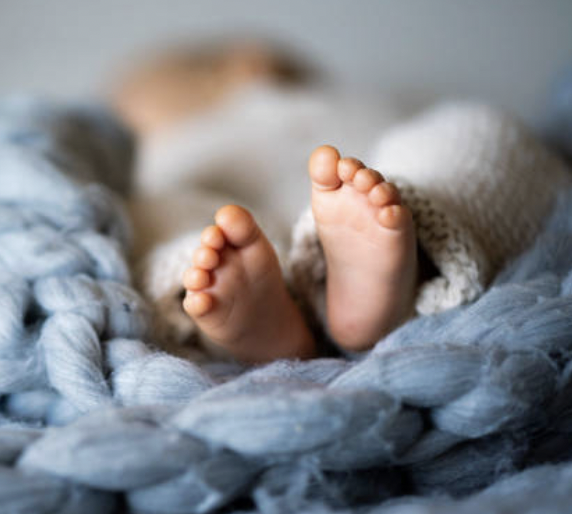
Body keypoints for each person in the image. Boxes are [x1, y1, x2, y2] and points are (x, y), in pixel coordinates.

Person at [111, 38, 572, 362]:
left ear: (248, 63)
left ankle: (386, 260)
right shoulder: (159, 155)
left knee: (465, 133)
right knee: (155, 216)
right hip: (235, 206)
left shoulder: (296, 95)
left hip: (377, 183)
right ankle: (247, 307)